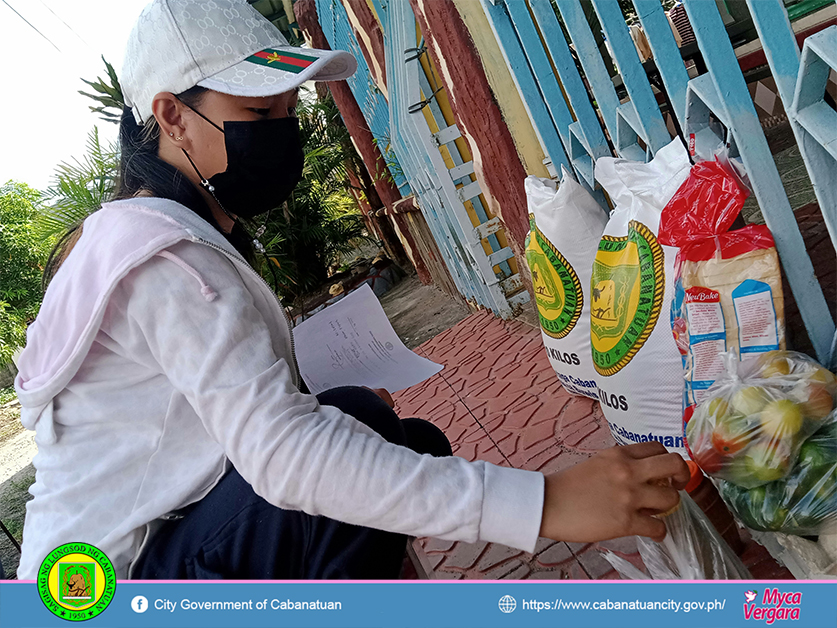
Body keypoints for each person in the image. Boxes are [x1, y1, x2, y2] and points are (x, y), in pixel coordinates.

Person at [13, 0, 689, 581]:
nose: (280, 128)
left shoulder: (145, 231)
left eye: (286, 108)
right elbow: (284, 462)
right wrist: (542, 501)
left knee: (387, 431)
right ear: (173, 117)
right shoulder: (163, 261)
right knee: (345, 448)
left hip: (136, 558)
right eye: (256, 110)